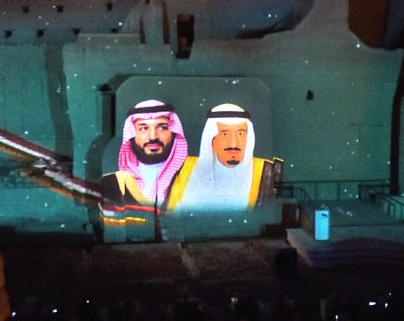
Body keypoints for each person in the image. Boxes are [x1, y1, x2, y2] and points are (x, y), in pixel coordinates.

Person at [100, 100, 188, 237]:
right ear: (132, 134)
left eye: (162, 127)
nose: (153, 136)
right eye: (143, 128)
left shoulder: (193, 175)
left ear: (174, 133)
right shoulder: (110, 183)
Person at [170, 103, 282, 210]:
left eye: (241, 134)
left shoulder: (268, 173)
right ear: (211, 141)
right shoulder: (184, 169)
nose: (234, 144)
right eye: (224, 134)